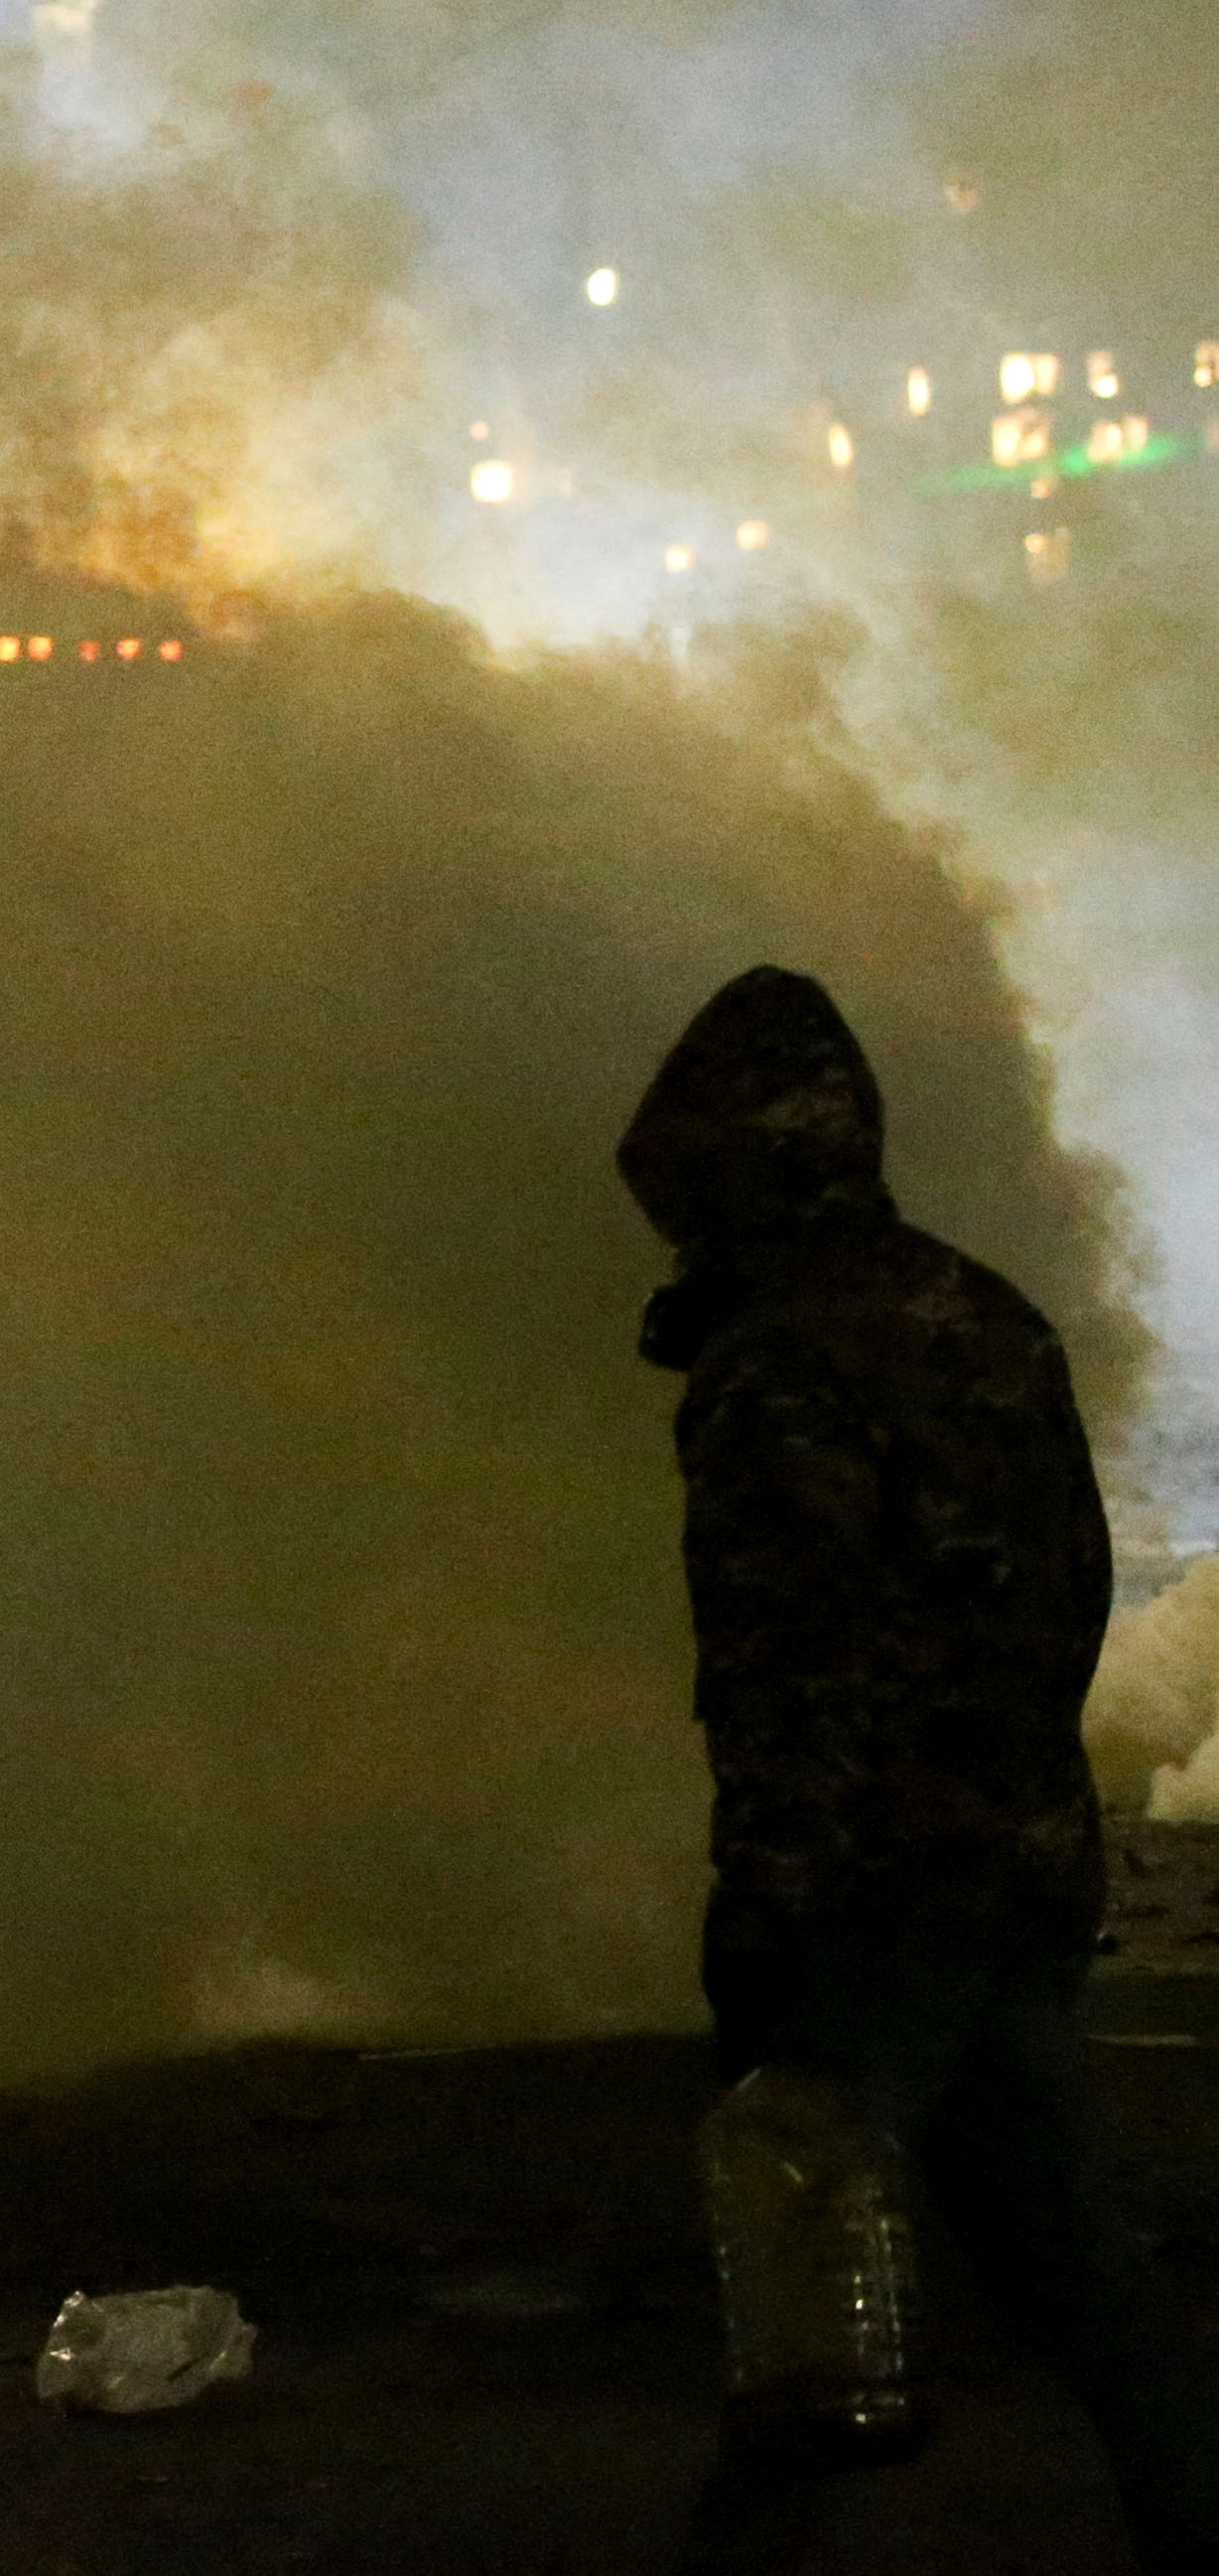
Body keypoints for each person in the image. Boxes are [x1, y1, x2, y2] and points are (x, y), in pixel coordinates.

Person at [624, 969, 1219, 2572]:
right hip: (1017, 1861)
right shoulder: (982, 1315)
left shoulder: (778, 1369)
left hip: (874, 1897)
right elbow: (1075, 1577)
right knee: (1064, 2239)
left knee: (803, 2239)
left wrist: (767, 1904)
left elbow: (785, 1669)